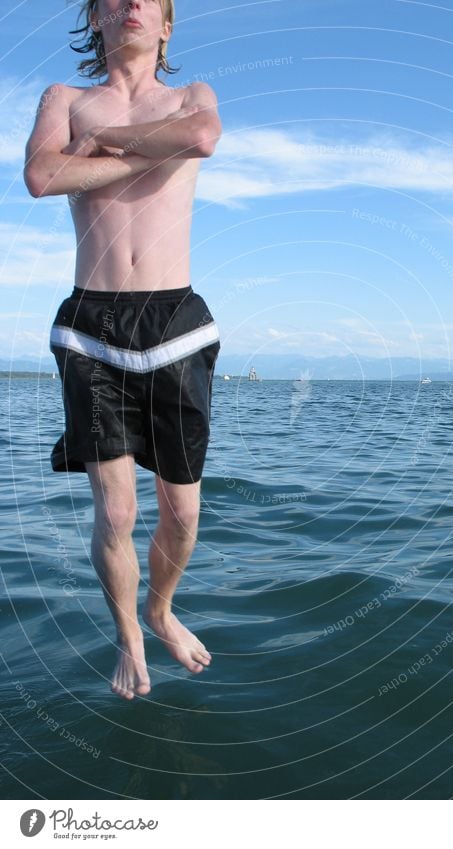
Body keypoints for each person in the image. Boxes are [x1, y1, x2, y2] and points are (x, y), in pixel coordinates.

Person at [23, 0, 222, 700]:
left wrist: (97, 148)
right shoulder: (66, 98)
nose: (132, 4)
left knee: (184, 510)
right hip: (90, 324)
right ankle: (129, 635)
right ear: (96, 19)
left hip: (177, 321)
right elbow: (42, 177)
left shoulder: (193, 95)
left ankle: (160, 609)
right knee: (115, 513)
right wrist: (144, 144)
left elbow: (201, 134)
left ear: (166, 25)